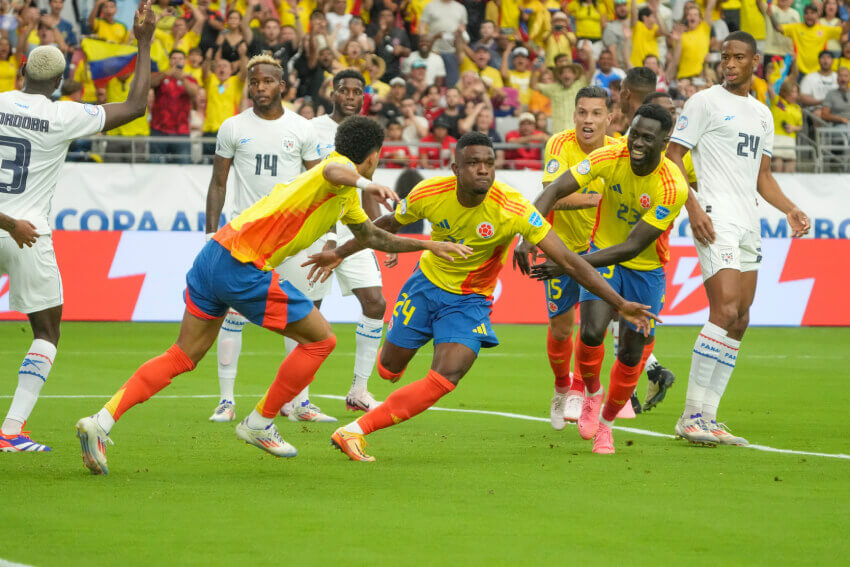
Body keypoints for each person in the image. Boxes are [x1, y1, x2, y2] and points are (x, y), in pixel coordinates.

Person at [74, 116, 472, 475]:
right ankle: (260, 422)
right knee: (322, 340)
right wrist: (368, 183)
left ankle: (101, 422)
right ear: (374, 156)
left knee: (182, 355)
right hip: (240, 266)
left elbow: (373, 236)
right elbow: (337, 171)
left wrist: (428, 246)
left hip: (214, 255)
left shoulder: (345, 195)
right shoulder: (337, 170)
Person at [306, 132, 657, 462]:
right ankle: (403, 354)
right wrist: (341, 253)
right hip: (425, 288)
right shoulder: (429, 193)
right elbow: (384, 227)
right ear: (455, 168)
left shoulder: (513, 208)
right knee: (389, 370)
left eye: (489, 162)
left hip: (470, 302)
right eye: (474, 162)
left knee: (447, 376)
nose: (483, 169)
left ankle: (355, 431)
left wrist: (620, 303)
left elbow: (569, 261)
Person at [0, 3, 156, 453]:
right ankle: (11, 430)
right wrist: (143, 42)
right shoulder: (62, 115)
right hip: (29, 234)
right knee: (47, 333)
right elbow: (136, 106)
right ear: (59, 83)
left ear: (21, 73)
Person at [517, 103, 689, 454]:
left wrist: (567, 263)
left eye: (646, 138)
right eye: (634, 134)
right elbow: (552, 192)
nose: (636, 143)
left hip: (645, 270)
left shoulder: (672, 186)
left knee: (629, 353)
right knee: (592, 330)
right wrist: (527, 236)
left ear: (664, 141)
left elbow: (632, 246)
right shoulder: (610, 156)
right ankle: (592, 393)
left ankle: (607, 425)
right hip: (602, 254)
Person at [666, 31, 810, 446]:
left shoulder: (762, 114)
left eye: (738, 57)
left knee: (741, 317)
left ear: (754, 63)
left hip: (749, 220)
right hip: (715, 216)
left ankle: (708, 416)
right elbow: (672, 159)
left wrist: (789, 208)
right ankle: (690, 414)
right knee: (724, 308)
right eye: (725, 57)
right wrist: (691, 207)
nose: (729, 64)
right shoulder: (704, 102)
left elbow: (762, 177)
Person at [204, 54, 321, 423]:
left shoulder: (302, 129)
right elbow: (218, 182)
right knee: (233, 318)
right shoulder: (233, 127)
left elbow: (319, 186)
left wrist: (325, 234)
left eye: (267, 82)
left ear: (282, 85)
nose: (259, 88)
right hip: (245, 238)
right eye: (253, 82)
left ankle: (298, 402)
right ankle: (226, 400)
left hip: (290, 239)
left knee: (299, 316)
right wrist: (211, 233)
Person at [280, 70, 392, 418]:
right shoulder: (312, 128)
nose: (350, 96)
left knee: (375, 303)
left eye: (357, 91)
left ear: (364, 97)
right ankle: (296, 398)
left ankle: (359, 390)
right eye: (344, 90)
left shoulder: (367, 133)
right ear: (332, 92)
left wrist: (378, 235)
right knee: (308, 310)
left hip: (354, 229)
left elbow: (366, 183)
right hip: (317, 230)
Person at [513, 86, 616, 427]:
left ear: (609, 118)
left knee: (593, 328)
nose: (588, 120)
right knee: (561, 329)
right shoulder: (559, 144)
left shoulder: (621, 151)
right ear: (574, 115)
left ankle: (586, 392)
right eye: (582, 112)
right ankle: (561, 387)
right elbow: (550, 196)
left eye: (596, 113)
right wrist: (592, 199)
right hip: (561, 247)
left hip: (600, 251)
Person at [150, 49, 199, 164]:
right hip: (159, 130)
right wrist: (165, 74)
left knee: (183, 167)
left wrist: (182, 78)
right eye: (174, 58)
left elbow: (195, 93)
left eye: (180, 58)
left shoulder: (190, 79)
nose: (177, 61)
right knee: (155, 168)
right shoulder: (161, 76)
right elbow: (150, 83)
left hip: (181, 131)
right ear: (170, 61)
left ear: (185, 62)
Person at [771, 80, 802, 172]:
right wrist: (770, 78)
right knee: (777, 167)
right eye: (792, 91)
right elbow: (769, 89)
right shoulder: (778, 101)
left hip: (790, 140)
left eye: (796, 92)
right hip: (777, 139)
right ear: (785, 91)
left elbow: (800, 126)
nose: (794, 94)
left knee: (790, 171)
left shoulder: (798, 108)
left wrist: (793, 128)